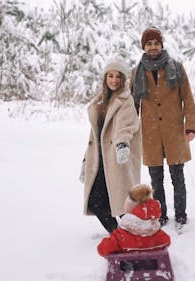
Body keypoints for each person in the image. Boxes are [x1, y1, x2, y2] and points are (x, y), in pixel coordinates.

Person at [130, 26, 195, 228]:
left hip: (174, 131)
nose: (153, 47)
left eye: (156, 43)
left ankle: (181, 215)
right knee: (156, 179)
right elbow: (132, 104)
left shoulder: (176, 67)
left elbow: (188, 99)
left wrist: (190, 126)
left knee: (178, 176)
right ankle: (161, 215)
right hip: (150, 133)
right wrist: (130, 131)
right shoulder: (137, 72)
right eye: (149, 43)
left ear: (161, 45)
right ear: (144, 46)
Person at [80, 57, 141, 233]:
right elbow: (94, 135)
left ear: (123, 79)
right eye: (110, 76)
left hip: (116, 158)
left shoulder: (125, 100)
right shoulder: (100, 102)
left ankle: (138, 234)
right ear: (105, 79)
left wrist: (122, 144)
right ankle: (117, 233)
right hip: (99, 160)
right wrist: (86, 160)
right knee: (97, 200)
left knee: (122, 202)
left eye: (118, 76)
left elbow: (126, 125)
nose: (114, 80)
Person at [97, 184, 171, 257]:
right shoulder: (158, 233)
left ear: (130, 205)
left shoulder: (122, 235)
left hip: (129, 267)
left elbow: (102, 249)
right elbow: (167, 242)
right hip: (153, 267)